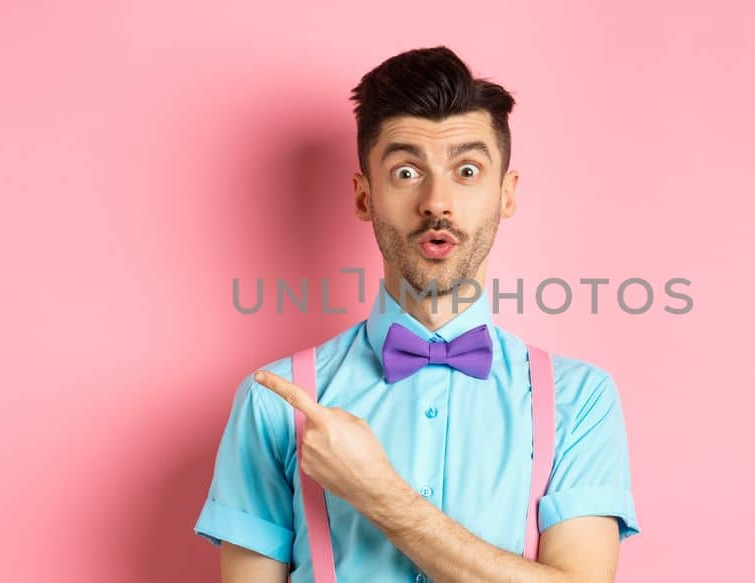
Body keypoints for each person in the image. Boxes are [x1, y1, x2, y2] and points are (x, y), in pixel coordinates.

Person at [194, 45, 640, 582]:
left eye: (467, 170)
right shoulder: (275, 402)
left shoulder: (578, 398)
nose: (436, 201)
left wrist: (378, 494)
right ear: (364, 197)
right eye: (406, 172)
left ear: (506, 194)